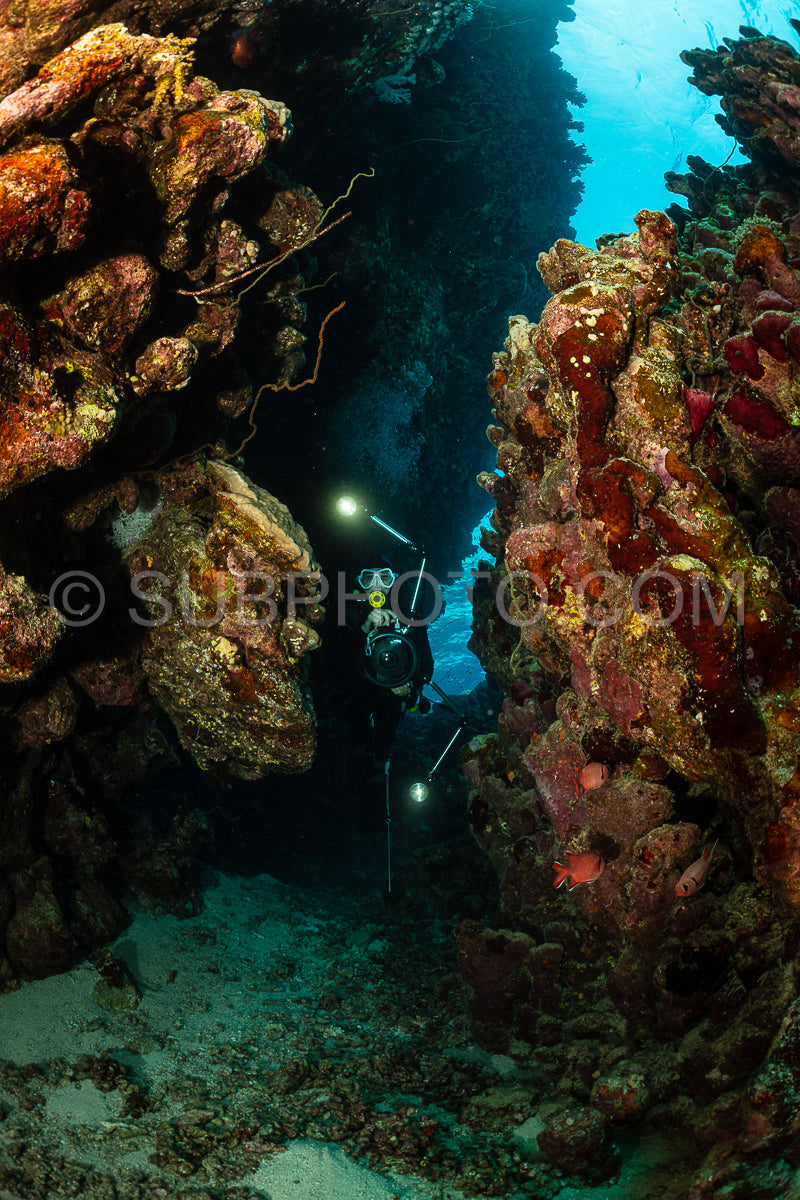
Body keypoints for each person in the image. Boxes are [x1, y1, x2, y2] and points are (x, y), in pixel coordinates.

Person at [340, 566, 434, 831]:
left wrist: (410, 684)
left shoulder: (409, 618)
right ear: (360, 584)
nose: (377, 585)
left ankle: (381, 801)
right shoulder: (346, 615)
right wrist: (364, 630)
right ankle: (353, 797)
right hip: (358, 695)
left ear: (394, 583)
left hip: (392, 699)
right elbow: (336, 664)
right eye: (369, 578)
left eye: (385, 577)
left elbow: (426, 665)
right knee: (359, 742)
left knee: (383, 746)